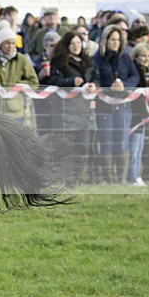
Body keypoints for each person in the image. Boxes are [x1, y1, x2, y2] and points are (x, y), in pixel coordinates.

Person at [47, 30, 98, 185]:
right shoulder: (58, 62)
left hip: (86, 109)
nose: (76, 46)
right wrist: (71, 81)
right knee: (67, 147)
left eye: (78, 43)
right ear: (66, 45)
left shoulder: (89, 61)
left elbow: (97, 77)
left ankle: (79, 179)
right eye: (72, 43)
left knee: (84, 146)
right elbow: (54, 79)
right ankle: (66, 178)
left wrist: (94, 86)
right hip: (66, 111)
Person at [92, 24, 139, 184]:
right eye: (112, 39)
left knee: (121, 141)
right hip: (104, 106)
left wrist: (124, 85)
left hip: (124, 107)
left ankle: (121, 178)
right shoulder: (97, 58)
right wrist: (108, 88)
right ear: (105, 40)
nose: (115, 42)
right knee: (106, 141)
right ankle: (108, 178)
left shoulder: (125, 57)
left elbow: (135, 77)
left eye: (118, 40)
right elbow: (94, 79)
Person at [0, 27, 39, 122]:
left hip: (15, 111)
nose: (10, 46)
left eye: (13, 43)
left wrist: (16, 85)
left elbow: (34, 83)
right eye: (7, 43)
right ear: (0, 44)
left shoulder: (22, 60)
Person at [128, 43, 149, 186]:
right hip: (135, 113)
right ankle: (133, 176)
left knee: (140, 146)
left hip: (144, 113)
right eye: (143, 55)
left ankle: (136, 175)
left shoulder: (145, 72)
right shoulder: (136, 70)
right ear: (136, 56)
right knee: (135, 146)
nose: (146, 59)